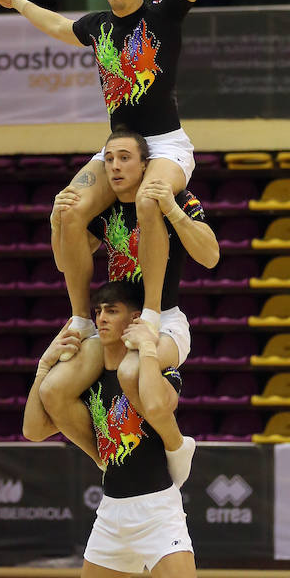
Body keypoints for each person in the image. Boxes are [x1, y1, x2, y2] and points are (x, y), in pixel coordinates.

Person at [0, 0, 232, 340]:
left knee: (149, 199)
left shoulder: (164, 14)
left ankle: (154, 313)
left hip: (164, 144)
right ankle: (79, 316)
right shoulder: (97, 26)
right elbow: (58, 26)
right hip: (118, 146)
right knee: (70, 211)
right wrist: (16, 1)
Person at [22, 282, 238, 578]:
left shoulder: (156, 368)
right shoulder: (87, 377)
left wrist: (145, 345)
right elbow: (34, 429)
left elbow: (160, 407)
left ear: (135, 318)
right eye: (97, 310)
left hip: (158, 509)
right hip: (113, 512)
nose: (100, 318)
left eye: (112, 310)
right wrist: (43, 369)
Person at [45, 126, 219, 486]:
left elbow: (211, 256)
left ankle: (176, 445)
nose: (115, 167)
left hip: (164, 322)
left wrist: (173, 210)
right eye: (108, 160)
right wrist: (56, 223)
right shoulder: (105, 209)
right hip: (116, 327)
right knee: (53, 391)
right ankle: (104, 462)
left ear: (145, 165)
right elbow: (66, 263)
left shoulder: (170, 195)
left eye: (125, 158)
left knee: (130, 371)